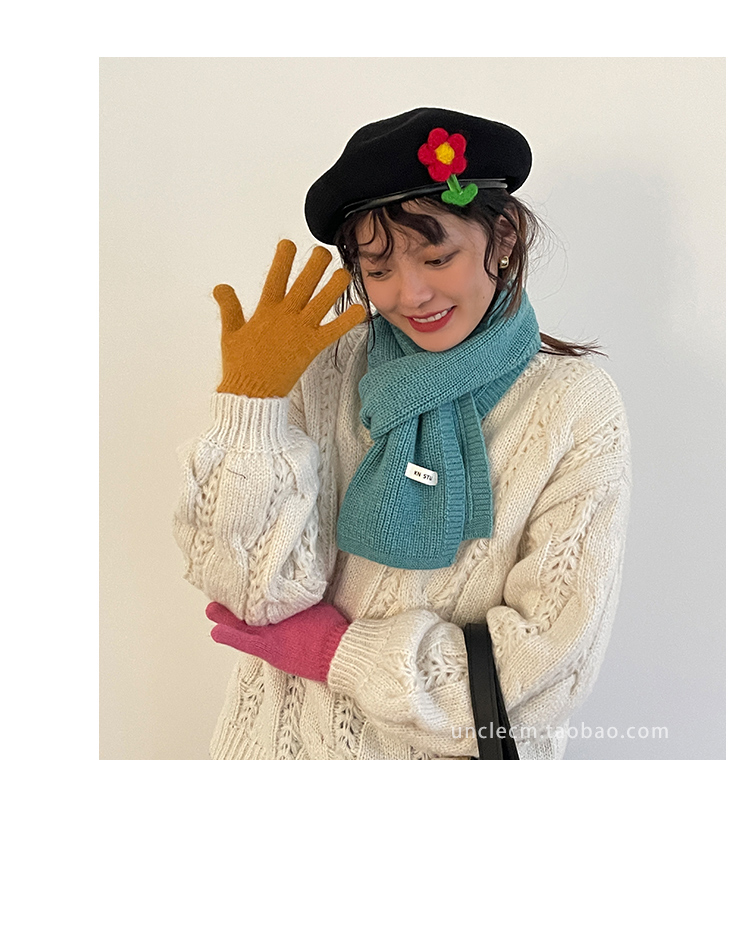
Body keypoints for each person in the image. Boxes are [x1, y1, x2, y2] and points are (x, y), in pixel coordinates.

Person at [173, 107, 631, 760]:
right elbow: (250, 592)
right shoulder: (329, 367)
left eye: (436, 257)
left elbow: (544, 675)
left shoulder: (573, 406)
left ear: (502, 235)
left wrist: (338, 651)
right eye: (379, 269)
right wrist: (251, 405)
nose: (410, 294)